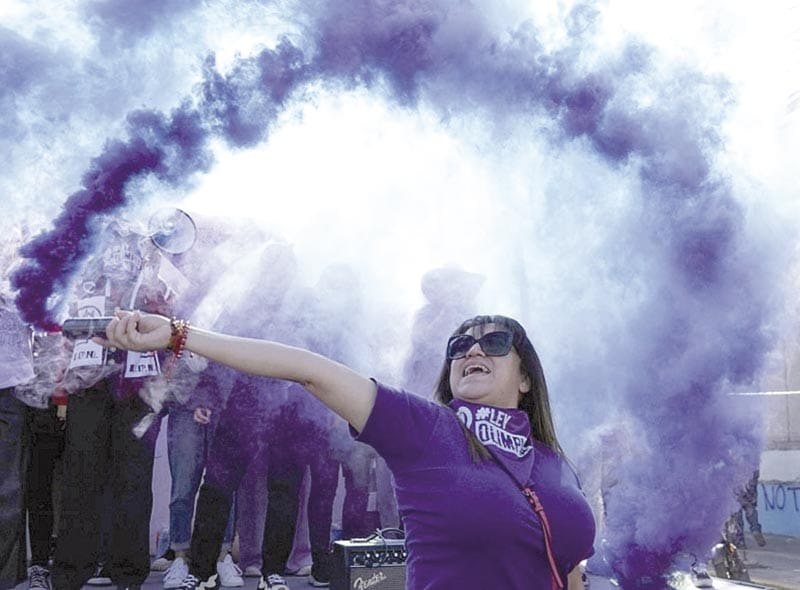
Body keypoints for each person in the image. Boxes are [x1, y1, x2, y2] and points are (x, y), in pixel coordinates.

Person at [98, 311, 596, 590]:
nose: (472, 349)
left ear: (526, 376)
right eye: (459, 345)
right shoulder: (427, 428)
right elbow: (309, 369)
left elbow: (570, 572)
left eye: (496, 340)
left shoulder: (553, 462)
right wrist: (181, 335)